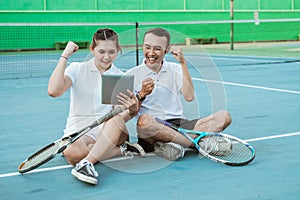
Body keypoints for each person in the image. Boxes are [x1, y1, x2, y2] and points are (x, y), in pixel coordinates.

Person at [48, 28, 147, 185]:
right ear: (92, 49)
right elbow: (53, 91)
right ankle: (118, 150)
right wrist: (64, 56)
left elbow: (123, 116)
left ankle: (86, 163)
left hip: (108, 129)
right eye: (101, 51)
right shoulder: (77, 69)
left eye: (111, 52)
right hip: (80, 129)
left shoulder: (118, 76)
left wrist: (133, 108)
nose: (106, 57)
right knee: (73, 153)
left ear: (118, 51)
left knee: (116, 120)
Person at [126, 28, 232, 161]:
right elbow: (130, 113)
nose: (151, 53)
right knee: (144, 121)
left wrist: (183, 63)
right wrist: (142, 94)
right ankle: (197, 144)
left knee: (224, 117)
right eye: (147, 47)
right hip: (151, 127)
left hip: (178, 124)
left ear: (166, 49)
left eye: (157, 49)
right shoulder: (131, 74)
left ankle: (171, 144)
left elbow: (189, 96)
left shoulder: (175, 69)